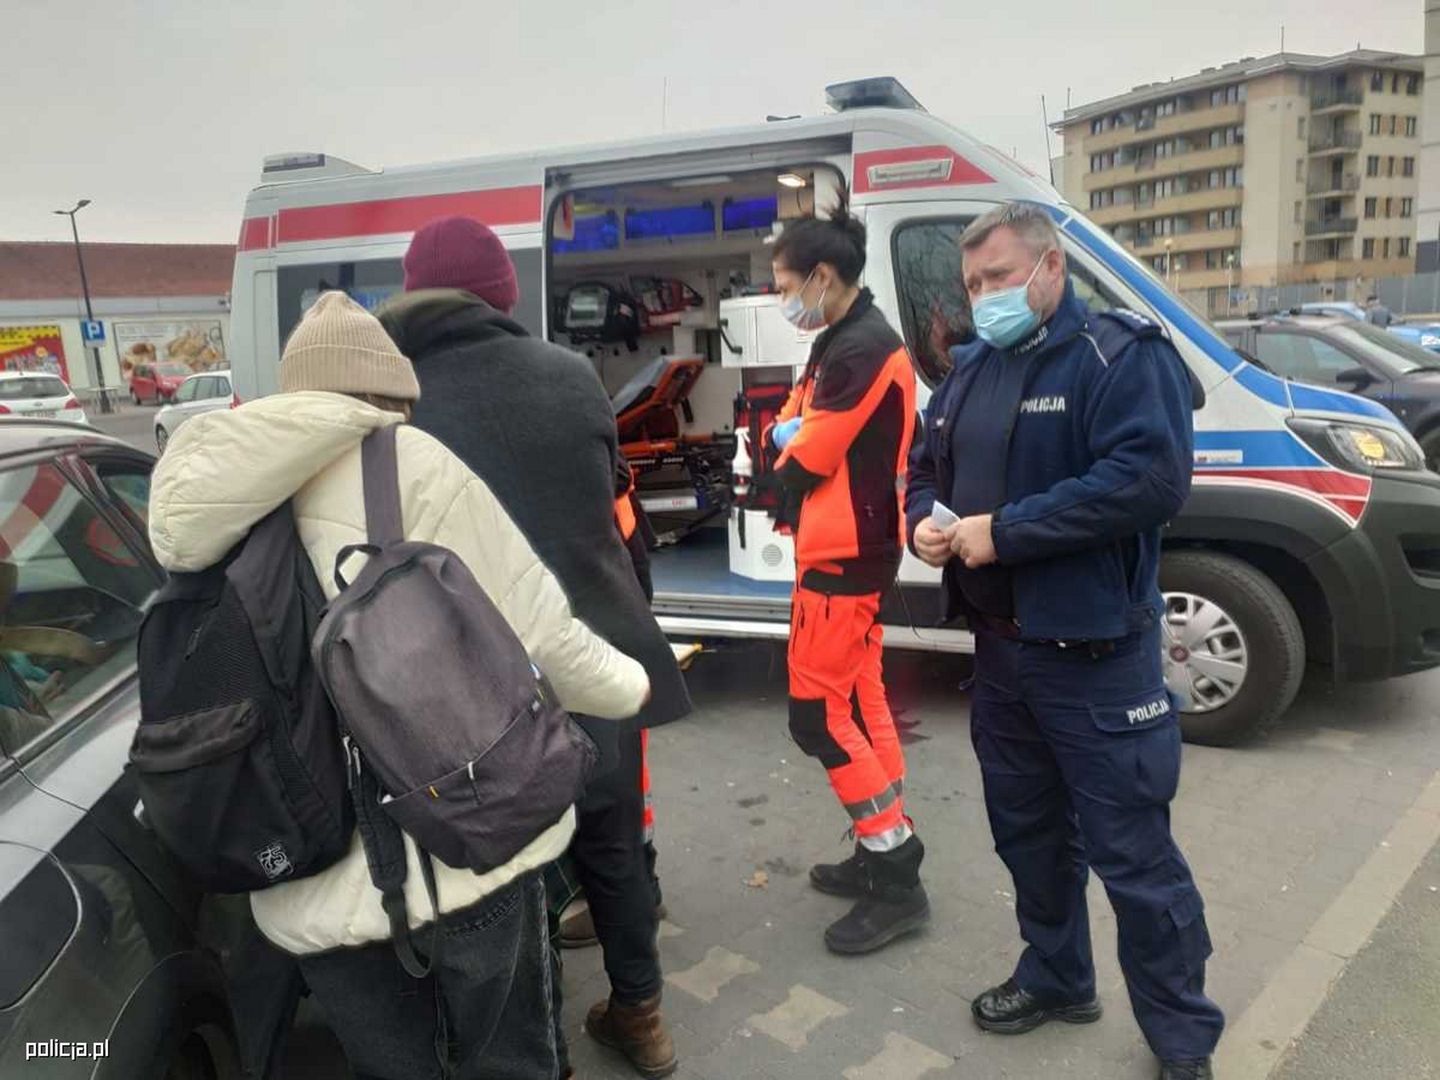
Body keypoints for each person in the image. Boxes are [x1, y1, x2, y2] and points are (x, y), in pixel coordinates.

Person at [148, 291, 651, 1080]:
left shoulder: (210, 505)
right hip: (463, 856)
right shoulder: (411, 462)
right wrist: (632, 687)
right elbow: (547, 636)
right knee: (510, 1063)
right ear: (388, 393)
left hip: (305, 884)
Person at [905, 202, 1224, 1080]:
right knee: (1029, 837)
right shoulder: (970, 369)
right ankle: (1057, 977)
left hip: (1097, 659)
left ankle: (1183, 1042)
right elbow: (924, 466)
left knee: (1136, 861)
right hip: (1002, 658)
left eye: (999, 278)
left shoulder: (1120, 356)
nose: (983, 298)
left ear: (1051, 270)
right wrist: (924, 525)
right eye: (972, 285)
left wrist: (1002, 531)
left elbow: (1149, 478)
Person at [378, 217, 691, 1080]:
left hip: (472, 682)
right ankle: (643, 1015)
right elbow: (601, 503)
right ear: (504, 298)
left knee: (517, 873)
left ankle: (544, 1049)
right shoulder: (571, 377)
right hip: (594, 651)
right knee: (615, 852)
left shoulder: (393, 401)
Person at [767, 196, 926, 955]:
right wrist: (788, 436)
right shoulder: (839, 338)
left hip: (844, 557)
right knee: (859, 708)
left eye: (783, 283)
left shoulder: (860, 345)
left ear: (822, 276)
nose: (781, 299)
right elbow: (793, 419)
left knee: (819, 718)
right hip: (846, 553)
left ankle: (896, 870)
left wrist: (785, 451)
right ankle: (883, 845)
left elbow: (805, 455)